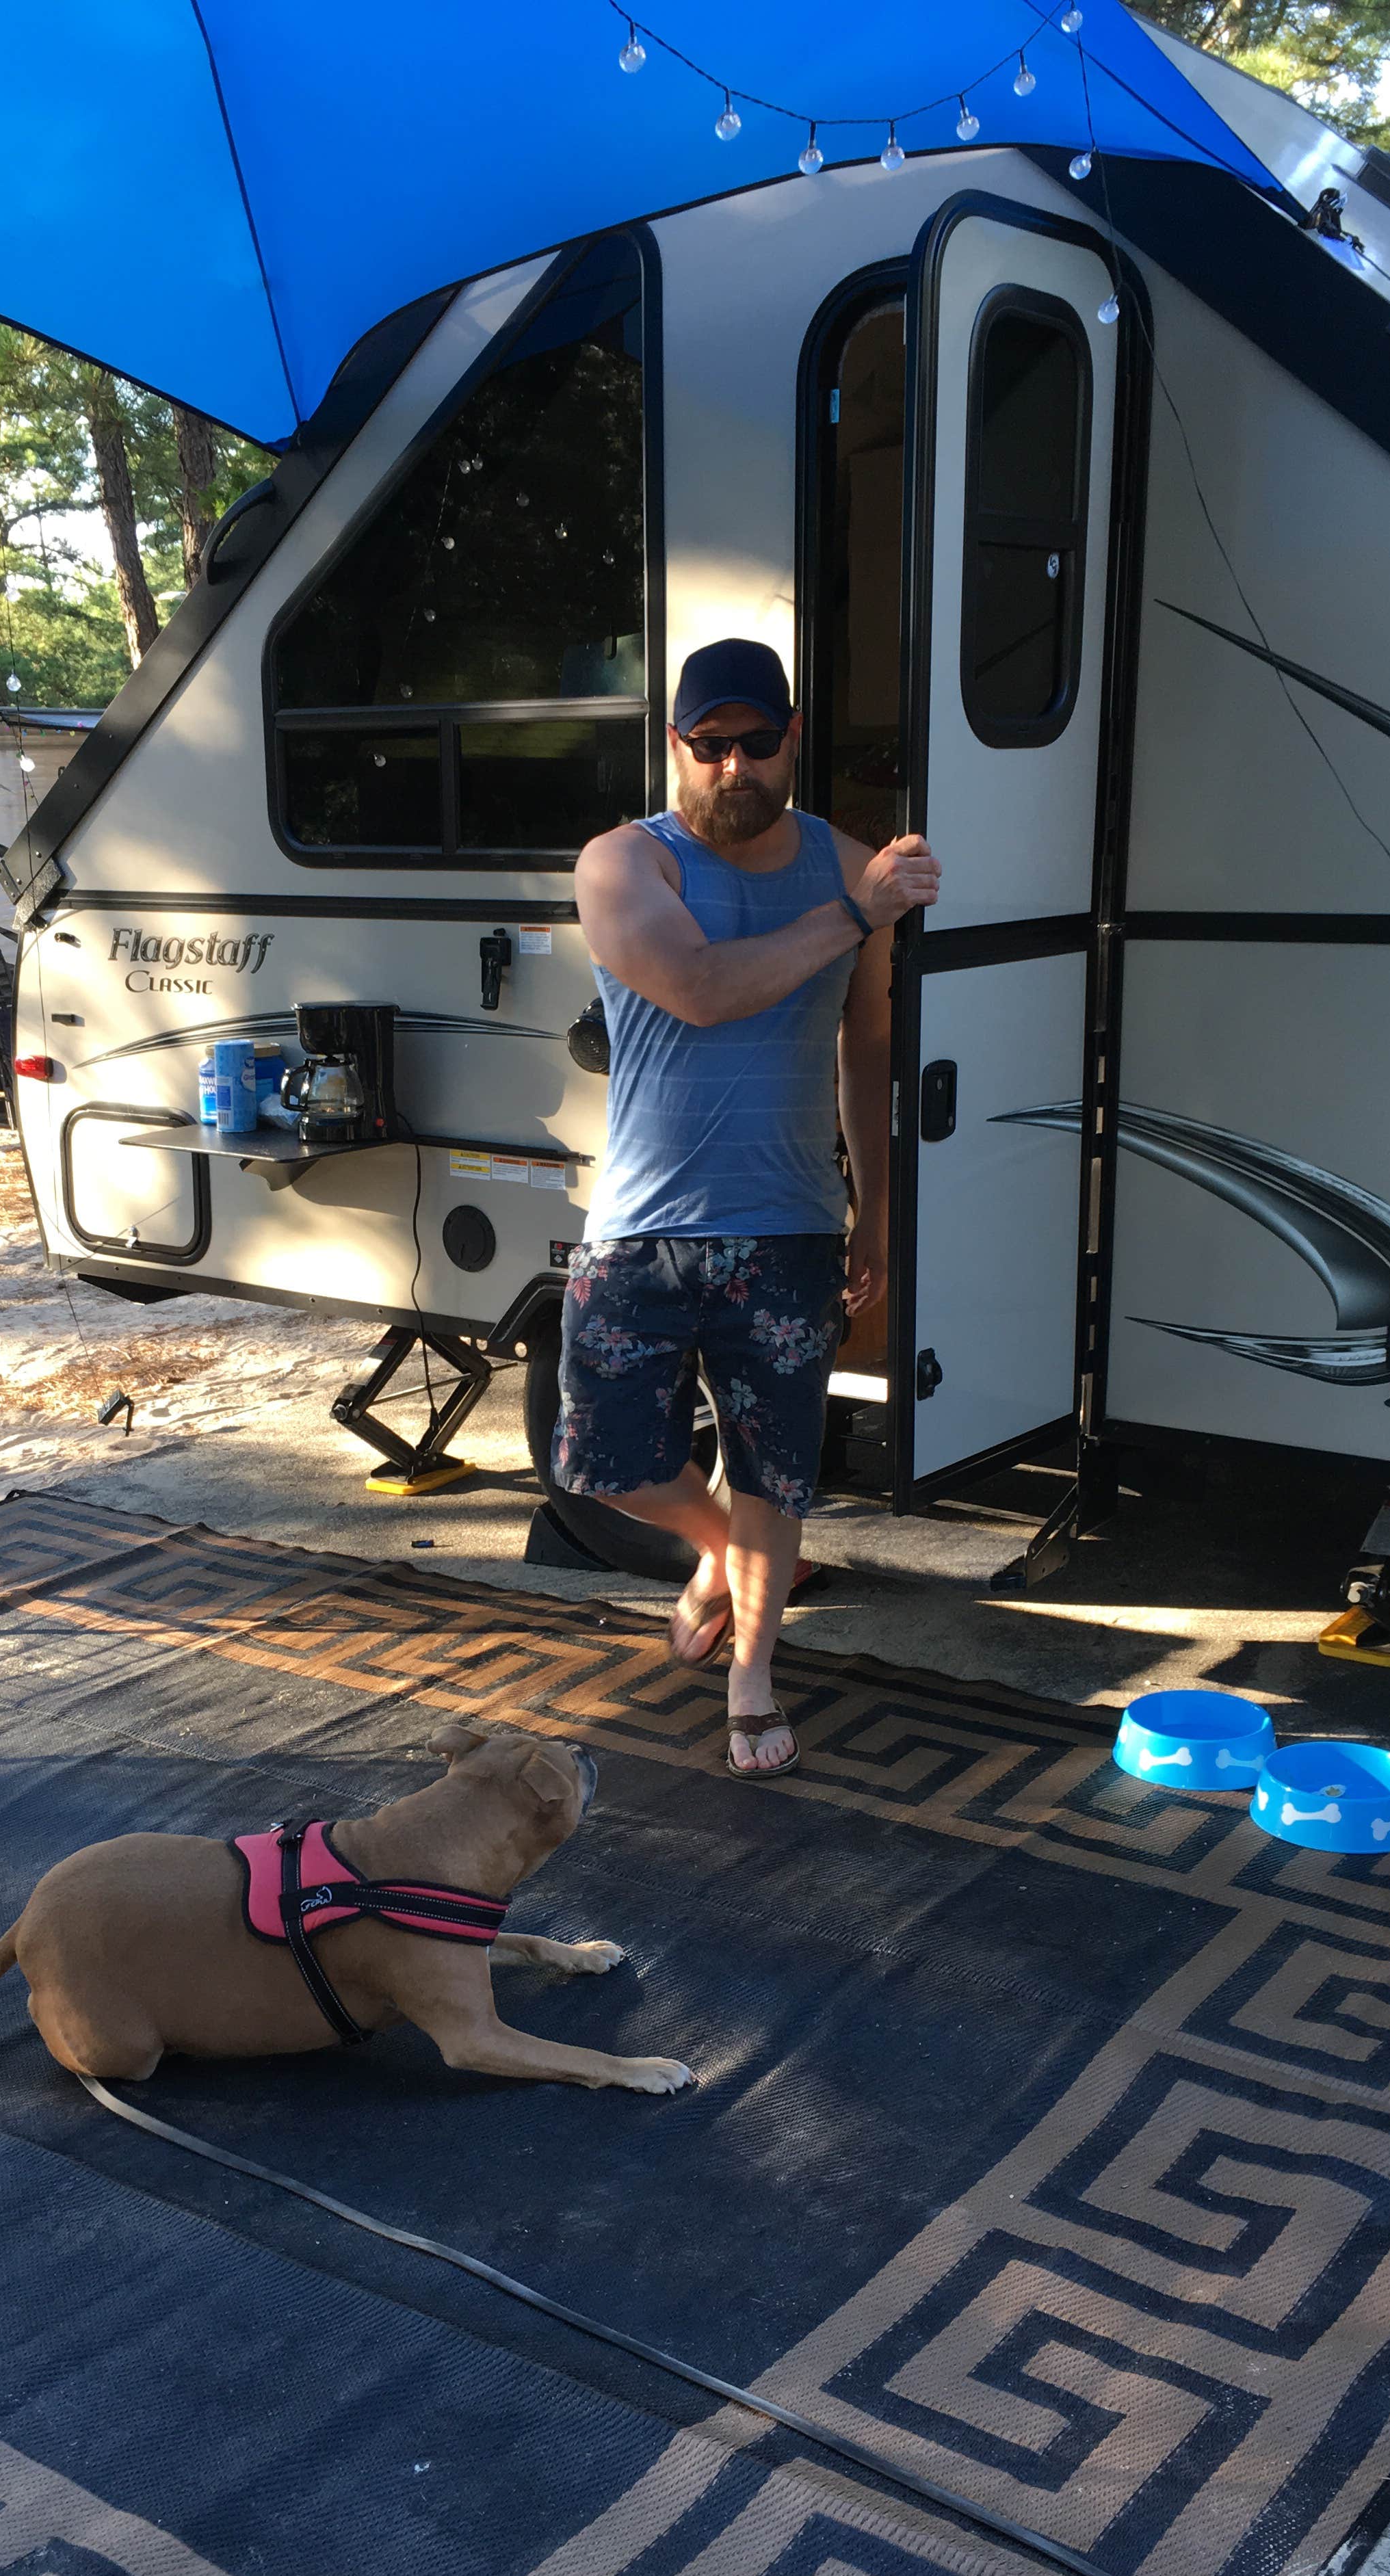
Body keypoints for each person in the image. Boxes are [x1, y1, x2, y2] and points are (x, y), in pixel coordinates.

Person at [555, 639, 942, 1778]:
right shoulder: (627, 863)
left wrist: (873, 1207)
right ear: (677, 747)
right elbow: (703, 989)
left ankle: (754, 1675)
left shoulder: (848, 864)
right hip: (642, 1223)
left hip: (792, 1224)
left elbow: (865, 1047)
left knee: (778, 1468)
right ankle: (721, 1551)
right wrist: (856, 915)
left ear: (791, 739)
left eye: (755, 743)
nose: (734, 767)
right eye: (709, 745)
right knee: (603, 1456)